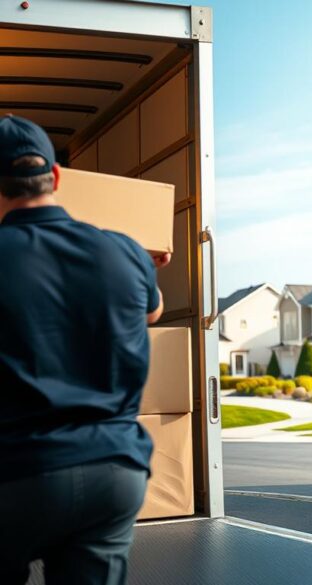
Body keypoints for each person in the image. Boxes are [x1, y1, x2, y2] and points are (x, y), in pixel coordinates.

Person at [0, 115, 171, 584]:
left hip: (14, 474)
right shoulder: (125, 252)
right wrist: (142, 264)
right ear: (55, 177)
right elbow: (150, 313)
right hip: (111, 472)